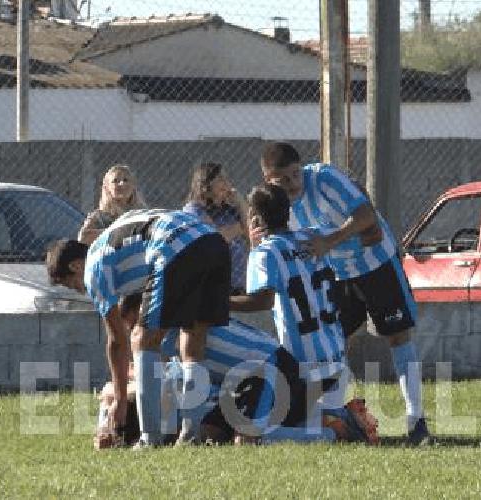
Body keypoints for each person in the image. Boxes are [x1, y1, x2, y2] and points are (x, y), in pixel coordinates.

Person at [257, 142, 431, 444]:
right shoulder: (275, 204)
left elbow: (368, 220)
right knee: (333, 341)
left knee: (397, 334)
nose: (293, 184)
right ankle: (337, 416)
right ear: (268, 180)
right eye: (282, 180)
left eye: (296, 174)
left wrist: (329, 241)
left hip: (376, 262)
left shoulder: (324, 179)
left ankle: (416, 421)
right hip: (336, 273)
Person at [47, 208, 228, 448]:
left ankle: (149, 438)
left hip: (173, 247)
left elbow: (116, 340)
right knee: (193, 341)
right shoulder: (111, 240)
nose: (79, 291)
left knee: (142, 340)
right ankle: (190, 434)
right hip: (213, 243)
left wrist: (121, 399)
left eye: (71, 285)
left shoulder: (93, 269)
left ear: (76, 266)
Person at [94, 318, 379, 448]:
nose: (128, 328)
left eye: (128, 319)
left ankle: (337, 428)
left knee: (249, 440)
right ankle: (330, 416)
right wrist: (103, 425)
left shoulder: (168, 334)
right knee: (213, 434)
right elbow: (111, 392)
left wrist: (109, 420)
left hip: (264, 369)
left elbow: (111, 391)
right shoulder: (163, 344)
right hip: (243, 381)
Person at [230, 184, 350, 430]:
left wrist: (219, 303)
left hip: (300, 367)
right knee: (321, 417)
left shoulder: (265, 253)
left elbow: (262, 300)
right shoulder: (314, 237)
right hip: (336, 355)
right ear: (289, 210)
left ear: (256, 218)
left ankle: (332, 427)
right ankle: (337, 420)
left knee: (255, 423)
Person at [182, 162, 250, 295]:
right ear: (205, 185)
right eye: (220, 179)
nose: (227, 183)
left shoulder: (229, 209)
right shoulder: (193, 209)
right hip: (211, 287)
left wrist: (241, 203)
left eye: (226, 178)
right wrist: (239, 227)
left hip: (238, 284)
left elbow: (251, 234)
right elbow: (215, 239)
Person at [77, 165, 149, 245]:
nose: (122, 184)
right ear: (107, 188)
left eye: (126, 180)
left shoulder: (143, 214)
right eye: (115, 181)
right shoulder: (99, 216)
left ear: (133, 186)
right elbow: (83, 238)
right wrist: (118, 232)